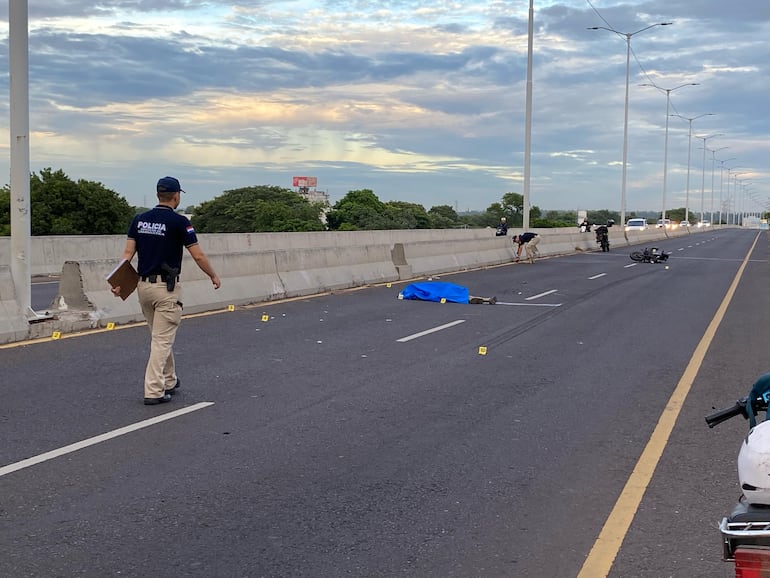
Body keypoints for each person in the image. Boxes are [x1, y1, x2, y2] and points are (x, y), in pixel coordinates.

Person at [112, 176, 221, 405]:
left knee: (159, 336)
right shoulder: (179, 222)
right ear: (176, 196)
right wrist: (212, 275)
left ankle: (169, 380)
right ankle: (154, 390)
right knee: (162, 341)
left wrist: (118, 281)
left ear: (157, 195)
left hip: (143, 288)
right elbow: (198, 255)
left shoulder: (139, 220)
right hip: (166, 289)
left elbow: (127, 255)